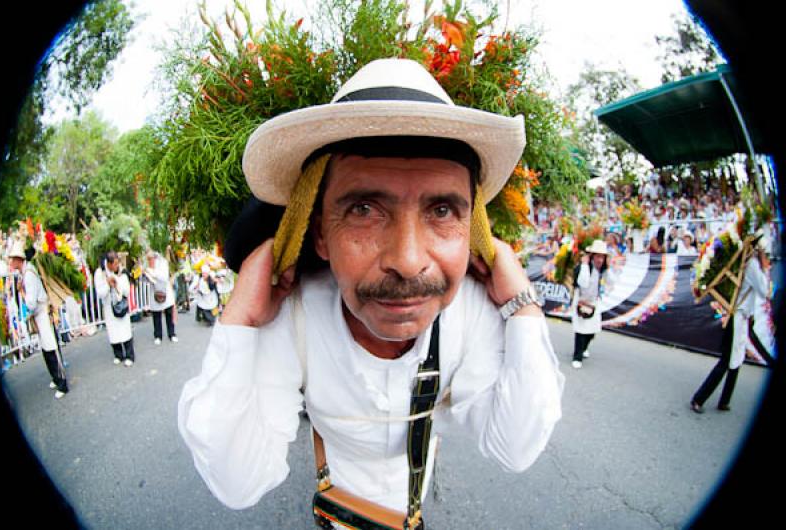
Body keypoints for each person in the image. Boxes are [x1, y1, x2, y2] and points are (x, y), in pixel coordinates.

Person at [177, 58, 563, 527]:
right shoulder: (295, 314)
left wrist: (522, 307)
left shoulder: (473, 312)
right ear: (318, 233)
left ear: (472, 233)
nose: (406, 259)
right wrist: (238, 318)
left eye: (442, 210)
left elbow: (515, 447)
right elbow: (239, 482)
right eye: (363, 208)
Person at [690, 240, 770, 413]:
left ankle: (724, 400)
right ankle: (699, 398)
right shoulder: (753, 265)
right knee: (728, 360)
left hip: (741, 316)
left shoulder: (747, 261)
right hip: (738, 317)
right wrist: (765, 268)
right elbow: (764, 291)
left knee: (736, 358)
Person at [7, 241, 69, 399]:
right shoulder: (24, 272)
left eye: (13, 259)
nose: (11, 262)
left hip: (42, 313)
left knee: (51, 347)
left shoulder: (28, 274)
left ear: (18, 259)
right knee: (45, 347)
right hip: (38, 314)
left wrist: (22, 294)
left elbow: (31, 303)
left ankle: (62, 382)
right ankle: (56, 377)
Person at [570, 240, 610, 368]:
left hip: (593, 302)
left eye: (602, 257)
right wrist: (585, 265)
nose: (600, 259)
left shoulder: (602, 269)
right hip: (581, 300)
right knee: (581, 330)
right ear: (592, 256)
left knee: (593, 330)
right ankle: (577, 357)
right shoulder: (584, 266)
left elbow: (612, 281)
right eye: (598, 256)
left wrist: (609, 268)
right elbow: (583, 282)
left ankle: (584, 348)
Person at [94, 251, 135, 366]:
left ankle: (129, 356)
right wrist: (107, 283)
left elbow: (127, 290)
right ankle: (118, 354)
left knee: (125, 330)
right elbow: (100, 293)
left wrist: (117, 283)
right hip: (108, 307)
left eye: (118, 263)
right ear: (109, 263)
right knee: (113, 332)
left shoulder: (122, 272)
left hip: (121, 304)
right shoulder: (100, 273)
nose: (117, 266)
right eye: (115, 264)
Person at [144, 250, 178, 345]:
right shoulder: (146, 265)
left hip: (165, 291)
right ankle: (158, 335)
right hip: (154, 292)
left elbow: (164, 276)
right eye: (148, 258)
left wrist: (152, 272)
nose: (150, 260)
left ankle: (172, 334)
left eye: (151, 258)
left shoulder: (162, 262)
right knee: (156, 314)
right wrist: (146, 275)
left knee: (169, 313)